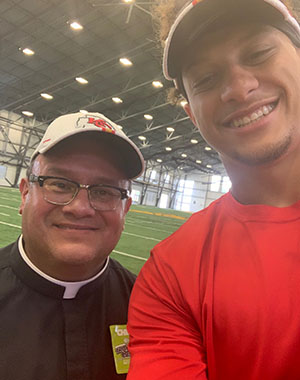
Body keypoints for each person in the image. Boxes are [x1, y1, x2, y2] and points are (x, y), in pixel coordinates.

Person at [127, 0, 300, 379]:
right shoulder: (169, 275)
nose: (239, 88)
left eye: (258, 53)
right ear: (192, 114)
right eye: (206, 79)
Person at [0, 111, 144, 380]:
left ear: (125, 209)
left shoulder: (148, 307)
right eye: (59, 184)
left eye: (104, 191)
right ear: (25, 193)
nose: (80, 208)